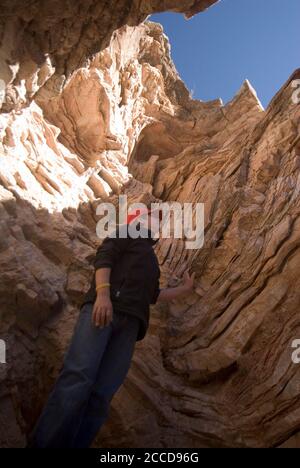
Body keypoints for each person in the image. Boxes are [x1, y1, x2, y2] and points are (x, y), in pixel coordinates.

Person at [28, 206, 195, 448]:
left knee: (102, 395)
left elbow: (152, 295)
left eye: (161, 220)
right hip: (105, 310)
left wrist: (184, 290)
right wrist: (103, 294)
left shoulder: (151, 259)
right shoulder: (126, 232)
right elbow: (104, 256)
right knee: (78, 378)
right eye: (153, 216)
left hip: (130, 326)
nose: (158, 222)